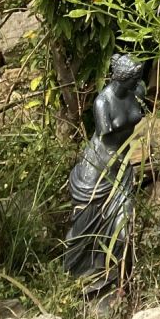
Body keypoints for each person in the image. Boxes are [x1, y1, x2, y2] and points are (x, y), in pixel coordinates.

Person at [63, 52, 147, 300]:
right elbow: (106, 134)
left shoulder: (136, 91)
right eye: (133, 81)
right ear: (121, 80)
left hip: (121, 167)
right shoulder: (103, 102)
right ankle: (80, 280)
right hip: (97, 171)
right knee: (84, 227)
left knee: (123, 226)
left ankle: (121, 283)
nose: (137, 85)